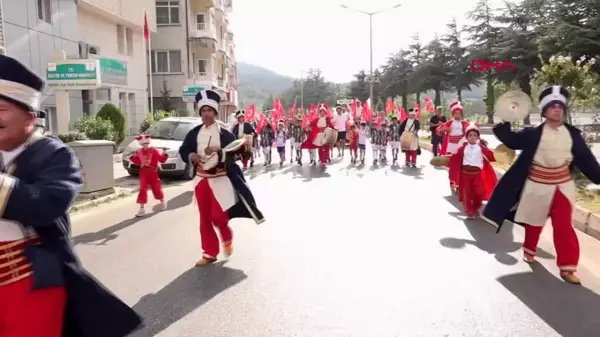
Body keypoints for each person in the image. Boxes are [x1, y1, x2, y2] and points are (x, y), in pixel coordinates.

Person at [0, 54, 142, 337]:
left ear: (30, 115)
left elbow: (45, 206)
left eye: (1, 109)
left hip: (31, 283)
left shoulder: (56, 155)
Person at [482, 85, 600, 284]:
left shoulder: (572, 135)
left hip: (562, 186)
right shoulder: (533, 133)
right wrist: (505, 119)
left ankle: (567, 267)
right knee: (534, 222)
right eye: (553, 106)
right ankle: (529, 249)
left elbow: (585, 159)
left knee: (564, 226)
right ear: (545, 111)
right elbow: (511, 140)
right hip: (537, 184)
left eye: (560, 106)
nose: (557, 109)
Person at [179, 89, 265, 266]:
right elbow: (184, 149)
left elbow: (235, 154)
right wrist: (192, 156)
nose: (206, 114)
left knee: (218, 216)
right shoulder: (194, 133)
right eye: (203, 110)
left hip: (221, 179)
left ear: (215, 112)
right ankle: (209, 252)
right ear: (200, 112)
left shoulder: (225, 134)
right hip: (201, 180)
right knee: (204, 218)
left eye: (209, 110)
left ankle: (227, 236)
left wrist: (219, 152)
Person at [448, 123, 497, 219]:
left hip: (477, 174)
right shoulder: (462, 148)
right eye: (470, 135)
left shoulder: (482, 148)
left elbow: (493, 156)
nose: (472, 137)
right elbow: (455, 157)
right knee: (468, 193)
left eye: (475, 135)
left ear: (478, 137)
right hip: (465, 174)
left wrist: (502, 155)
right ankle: (469, 211)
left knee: (480, 192)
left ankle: (476, 207)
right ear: (466, 137)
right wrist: (446, 158)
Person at [129, 134, 168, 217]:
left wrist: (164, 153)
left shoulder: (154, 151)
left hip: (153, 172)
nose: (145, 145)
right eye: (143, 144)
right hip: (143, 173)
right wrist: (133, 156)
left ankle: (162, 201)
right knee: (142, 189)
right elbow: (137, 161)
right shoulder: (139, 152)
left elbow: (161, 160)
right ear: (141, 144)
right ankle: (142, 208)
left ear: (149, 143)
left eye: (146, 143)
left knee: (156, 188)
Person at [436, 101, 470, 190]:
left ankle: (459, 183)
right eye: (456, 113)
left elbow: (471, 130)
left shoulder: (464, 123)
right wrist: (443, 130)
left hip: (461, 147)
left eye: (459, 113)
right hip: (451, 147)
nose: (457, 115)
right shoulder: (449, 123)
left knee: (461, 166)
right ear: (453, 114)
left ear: (461, 114)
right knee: (452, 166)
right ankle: (452, 181)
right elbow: (438, 130)